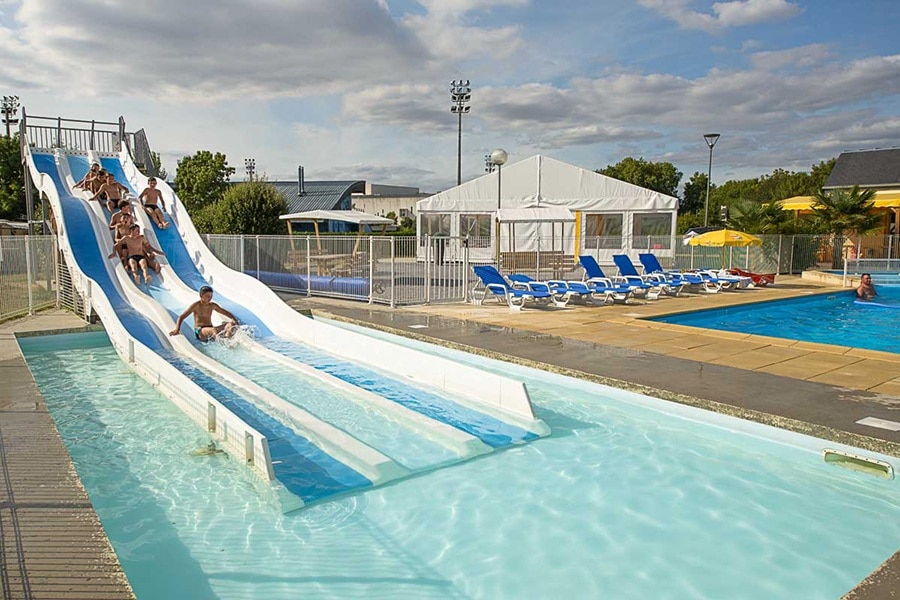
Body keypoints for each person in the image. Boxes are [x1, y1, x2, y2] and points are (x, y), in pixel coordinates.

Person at [169, 285, 240, 342]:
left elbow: (225, 312)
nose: (210, 298)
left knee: (231, 324)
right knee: (214, 330)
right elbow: (181, 317)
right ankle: (222, 344)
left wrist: (235, 320)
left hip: (210, 328)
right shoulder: (196, 306)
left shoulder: (212, 305)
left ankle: (228, 340)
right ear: (201, 295)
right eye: (208, 296)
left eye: (211, 296)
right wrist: (177, 329)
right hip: (200, 331)